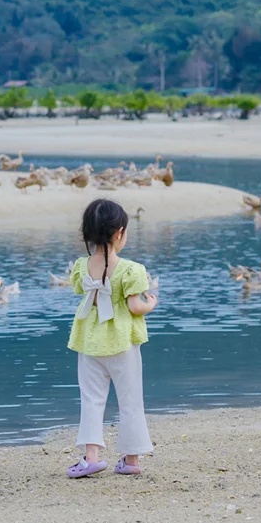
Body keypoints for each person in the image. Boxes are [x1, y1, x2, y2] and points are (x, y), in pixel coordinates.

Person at [66, 197, 157, 479]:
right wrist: (150, 304)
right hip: (122, 342)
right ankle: (131, 459)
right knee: (130, 399)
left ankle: (91, 457)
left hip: (90, 340)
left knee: (91, 399)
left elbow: (85, 295)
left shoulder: (82, 267)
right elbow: (133, 306)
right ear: (119, 233)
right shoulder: (130, 269)